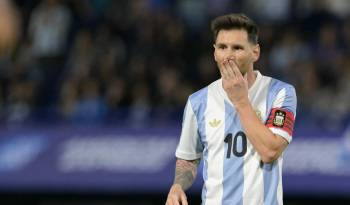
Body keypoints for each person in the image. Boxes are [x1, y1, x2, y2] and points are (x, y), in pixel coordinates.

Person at [166, 13, 297, 205]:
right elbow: (188, 159)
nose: (228, 56)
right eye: (222, 47)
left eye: (237, 48)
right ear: (214, 52)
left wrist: (241, 101)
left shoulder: (280, 93)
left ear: (255, 52)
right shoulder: (198, 102)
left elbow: (270, 151)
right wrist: (178, 186)